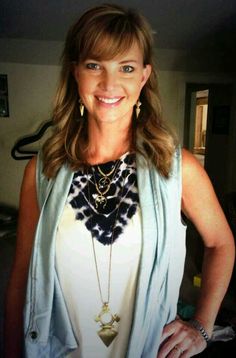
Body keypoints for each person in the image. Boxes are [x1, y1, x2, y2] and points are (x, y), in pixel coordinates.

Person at [4, 3, 235, 358]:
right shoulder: (42, 172)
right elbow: (21, 278)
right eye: (94, 65)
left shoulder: (176, 169)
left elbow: (221, 243)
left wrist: (202, 326)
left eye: (125, 68)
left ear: (143, 76)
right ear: (75, 72)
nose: (109, 84)